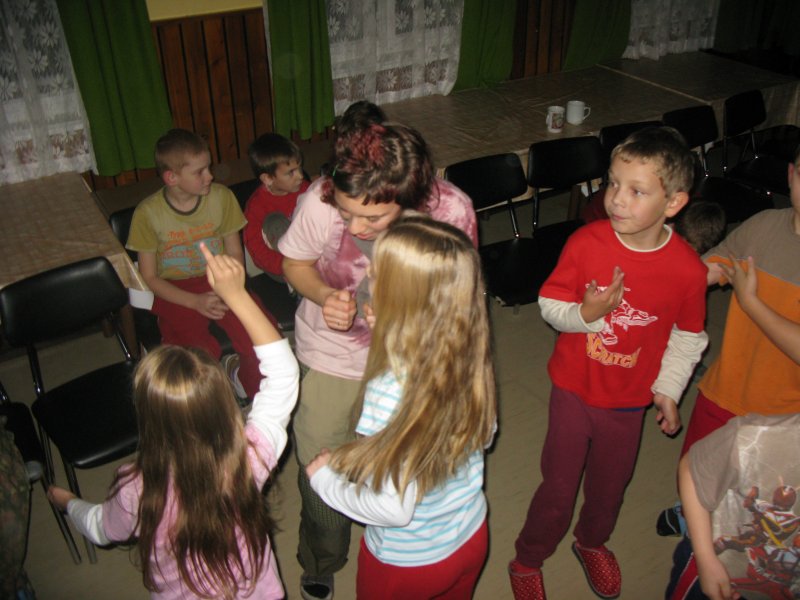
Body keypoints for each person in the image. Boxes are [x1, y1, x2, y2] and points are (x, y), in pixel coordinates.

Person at [278, 122, 477, 600]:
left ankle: (394, 540)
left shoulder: (451, 209)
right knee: (320, 464)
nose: (354, 228)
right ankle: (323, 559)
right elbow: (294, 264)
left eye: (372, 217)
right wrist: (325, 295)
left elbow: (458, 294)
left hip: (415, 361)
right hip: (333, 354)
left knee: (400, 473)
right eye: (346, 213)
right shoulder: (320, 200)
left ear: (410, 200)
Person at [508, 127, 709, 600]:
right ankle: (528, 558)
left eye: (637, 191)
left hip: (628, 402)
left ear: (673, 203)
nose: (616, 198)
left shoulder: (688, 269)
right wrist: (587, 314)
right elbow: (549, 304)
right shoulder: (587, 242)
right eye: (613, 183)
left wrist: (668, 390)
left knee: (609, 487)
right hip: (573, 389)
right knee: (558, 488)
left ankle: (591, 542)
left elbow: (688, 338)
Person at [47, 243, 299, 599]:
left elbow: (100, 528)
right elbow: (284, 373)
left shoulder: (137, 487)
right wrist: (236, 295)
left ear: (148, 418)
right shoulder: (250, 458)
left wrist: (68, 502)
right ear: (225, 404)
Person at [305, 216, 496, 599]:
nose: (367, 279)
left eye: (376, 275)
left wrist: (325, 480)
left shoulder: (388, 391)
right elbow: (484, 437)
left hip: (407, 562)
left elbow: (393, 509)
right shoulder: (469, 355)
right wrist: (392, 333)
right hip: (470, 536)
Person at [127, 128, 274, 401]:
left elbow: (234, 252)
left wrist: (229, 288)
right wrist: (194, 302)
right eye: (200, 172)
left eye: (209, 168)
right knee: (191, 356)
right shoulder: (147, 214)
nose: (210, 176)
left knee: (260, 335)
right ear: (171, 177)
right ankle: (207, 404)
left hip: (220, 276)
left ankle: (250, 387)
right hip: (176, 288)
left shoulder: (221, 197)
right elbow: (150, 277)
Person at [679, 143, 800, 457]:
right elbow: (705, 270)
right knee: (691, 473)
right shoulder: (764, 224)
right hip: (723, 391)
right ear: (791, 174)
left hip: (784, 420)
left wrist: (751, 304)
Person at [668, 413, 800, 600]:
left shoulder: (787, 519)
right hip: (722, 570)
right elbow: (691, 468)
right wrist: (705, 558)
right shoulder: (755, 437)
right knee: (727, 542)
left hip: (779, 575)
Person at [243, 132, 309, 280]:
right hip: (282, 266)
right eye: (291, 172)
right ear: (268, 178)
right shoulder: (256, 206)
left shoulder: (305, 189)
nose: (300, 176)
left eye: (299, 168)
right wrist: (287, 267)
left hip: (311, 256)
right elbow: (256, 250)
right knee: (275, 222)